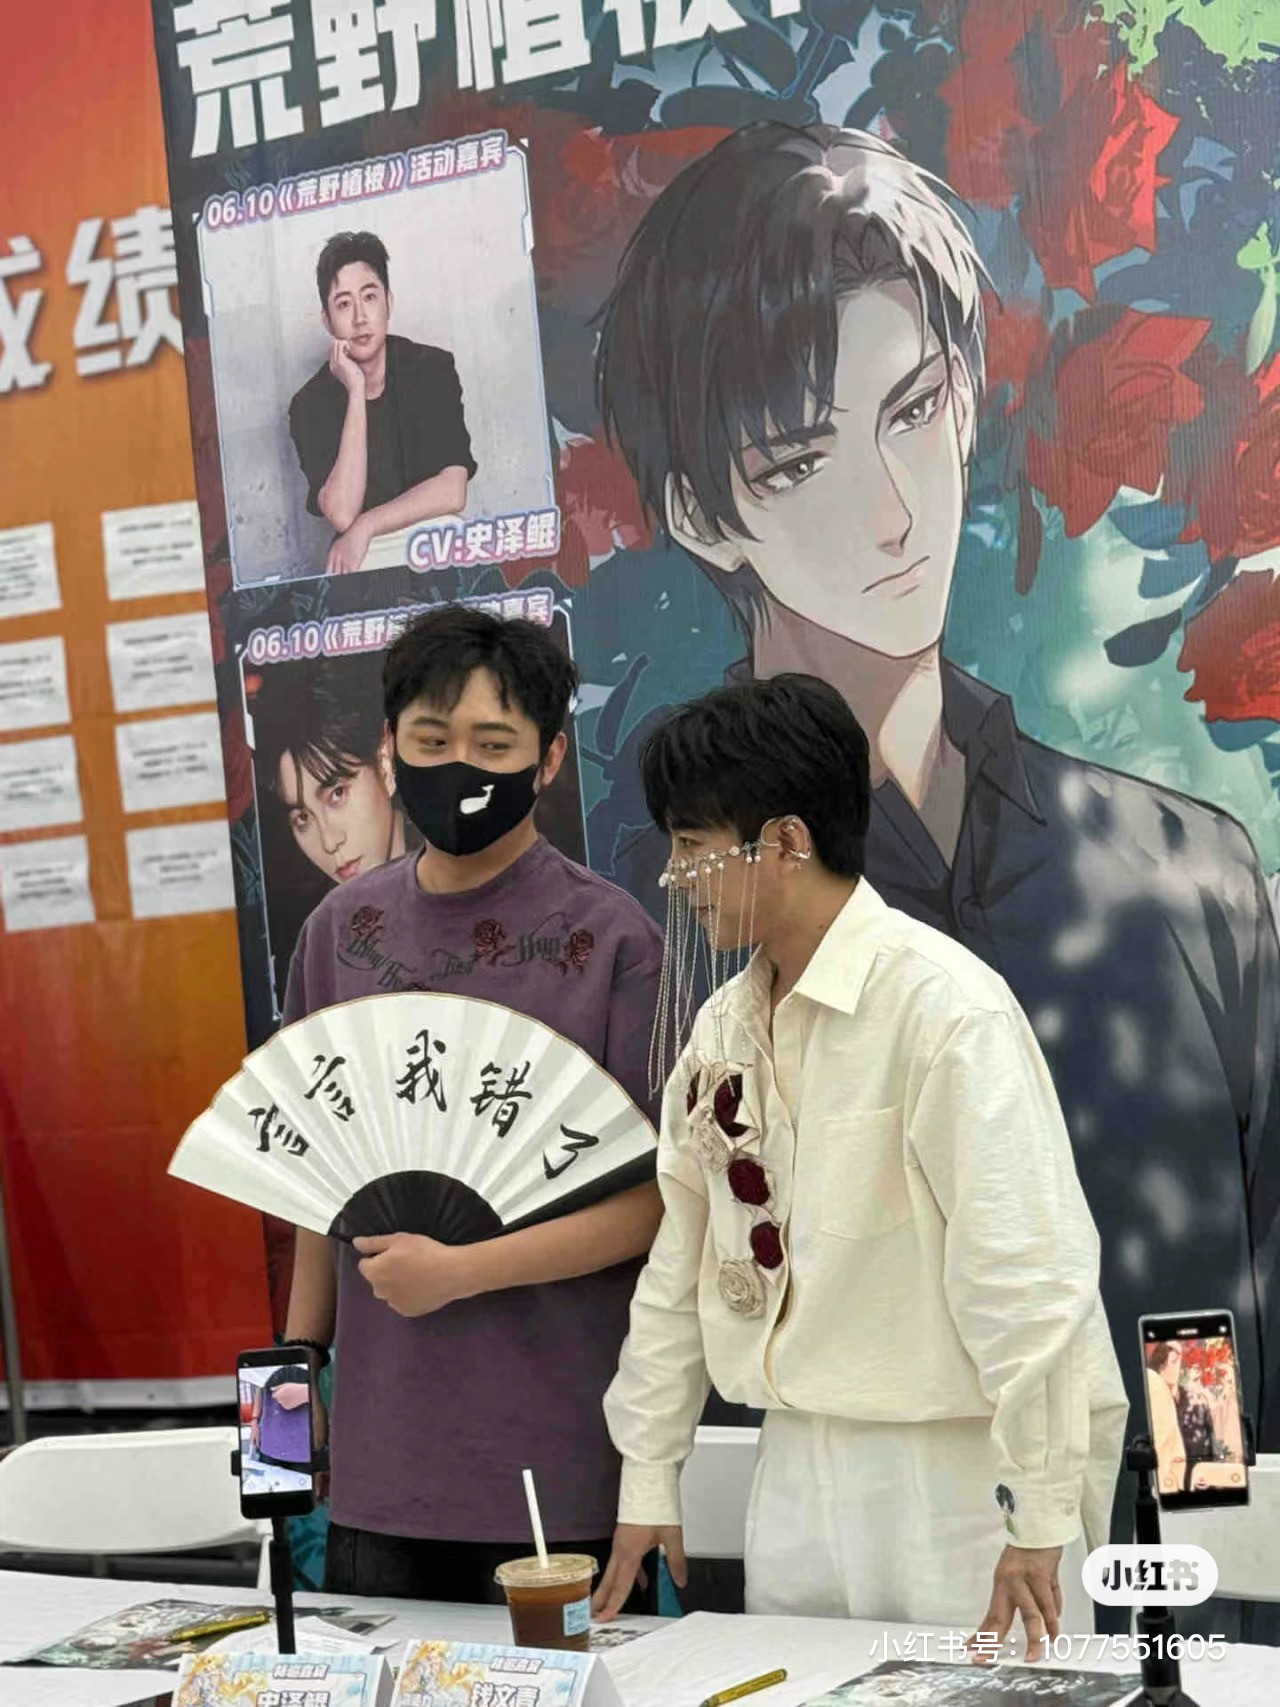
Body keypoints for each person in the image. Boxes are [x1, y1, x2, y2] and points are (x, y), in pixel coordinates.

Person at [595, 120, 1280, 1459]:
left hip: (1168, 1512)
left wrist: (1202, 1521)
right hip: (858, 1529)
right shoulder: (665, 910)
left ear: (964, 393)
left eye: (910, 410)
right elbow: (690, 1284)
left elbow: (1219, 1261)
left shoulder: (1181, 868)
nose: (895, 512)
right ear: (698, 511)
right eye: (797, 460)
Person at [594, 673, 1128, 1647]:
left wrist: (1040, 1510)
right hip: (795, 1465)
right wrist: (648, 1474)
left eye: (693, 846)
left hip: (956, 1480)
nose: (672, 876)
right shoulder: (721, 1029)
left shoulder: (943, 1010)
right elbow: (680, 1267)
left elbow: (1025, 1277)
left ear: (785, 842)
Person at [283, 604, 665, 1603]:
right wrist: (298, 1363)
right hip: (381, 1465)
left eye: (493, 745)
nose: (460, 767)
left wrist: (462, 1271)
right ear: (390, 748)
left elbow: (656, 1201)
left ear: (547, 760)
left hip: (557, 1464)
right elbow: (312, 1176)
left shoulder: (612, 940)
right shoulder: (338, 935)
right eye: (431, 740)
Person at [288, 231, 477, 575]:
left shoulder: (430, 369)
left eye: (370, 296)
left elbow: (453, 491)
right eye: (344, 304)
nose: (360, 317)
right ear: (327, 320)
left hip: (432, 538)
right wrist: (355, 391)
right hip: (362, 558)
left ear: (388, 302)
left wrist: (367, 525)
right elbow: (342, 513)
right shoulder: (309, 404)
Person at [1145, 1343, 1188, 1497]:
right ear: (1161, 1365)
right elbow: (1161, 1438)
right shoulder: (1156, 1385)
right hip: (1164, 1480)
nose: (1179, 1368)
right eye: (1174, 1362)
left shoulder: (1181, 1394)